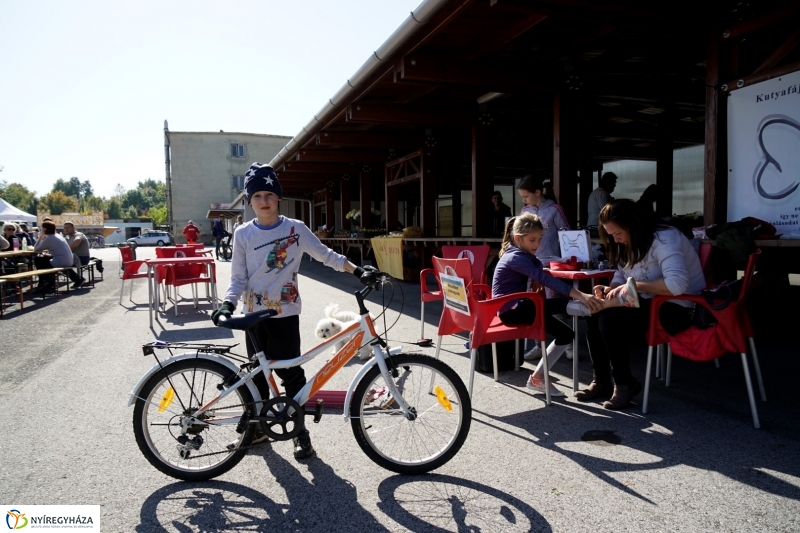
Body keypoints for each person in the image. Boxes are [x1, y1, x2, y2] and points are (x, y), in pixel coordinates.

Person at [211, 162, 376, 461]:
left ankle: (300, 433)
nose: (264, 200)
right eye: (257, 195)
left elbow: (326, 256)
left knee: (292, 376)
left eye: (269, 194)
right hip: (253, 315)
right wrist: (228, 304)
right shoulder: (243, 234)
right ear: (250, 201)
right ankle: (258, 430)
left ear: (278, 198)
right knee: (257, 378)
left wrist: (357, 270)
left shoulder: (295, 229)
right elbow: (238, 278)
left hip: (285, 315)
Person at [573, 199, 706, 410]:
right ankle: (601, 380)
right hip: (646, 300)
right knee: (594, 314)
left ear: (633, 225)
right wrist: (611, 289)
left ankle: (624, 383)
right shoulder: (629, 241)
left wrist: (631, 285)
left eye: (618, 233)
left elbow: (677, 285)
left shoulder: (665, 238)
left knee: (609, 319)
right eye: (611, 235)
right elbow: (621, 273)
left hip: (677, 307)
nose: (616, 239)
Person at [492, 213, 601, 398]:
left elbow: (539, 267)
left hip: (520, 307)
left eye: (540, 239)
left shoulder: (522, 253)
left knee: (566, 334)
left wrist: (538, 275)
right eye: (532, 240)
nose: (538, 244)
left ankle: (537, 378)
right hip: (512, 311)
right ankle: (596, 306)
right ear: (518, 238)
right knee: (559, 304)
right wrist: (580, 294)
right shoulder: (515, 257)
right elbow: (544, 278)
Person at [517, 174, 573, 360]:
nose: (524, 200)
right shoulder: (525, 211)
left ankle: (567, 344)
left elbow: (566, 233)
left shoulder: (554, 209)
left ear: (537, 192)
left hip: (551, 264)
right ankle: (538, 344)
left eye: (526, 196)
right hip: (530, 265)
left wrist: (567, 258)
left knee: (554, 304)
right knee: (532, 304)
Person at [33, 221, 85, 291]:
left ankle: (46, 282)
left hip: (62, 261)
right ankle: (77, 279)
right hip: (69, 260)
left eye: (41, 229)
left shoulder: (49, 238)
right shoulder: (57, 236)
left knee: (38, 260)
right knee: (46, 260)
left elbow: (36, 249)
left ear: (45, 229)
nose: (40, 230)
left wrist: (40, 238)